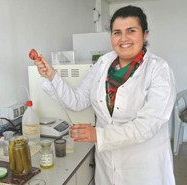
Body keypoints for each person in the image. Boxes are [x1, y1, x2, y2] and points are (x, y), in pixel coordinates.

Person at [34, 5, 176, 185]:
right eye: (117, 32)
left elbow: (147, 125)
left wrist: (99, 136)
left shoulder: (159, 70)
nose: (123, 38)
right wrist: (51, 75)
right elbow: (77, 101)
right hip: (108, 165)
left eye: (131, 31)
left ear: (145, 34)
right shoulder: (103, 63)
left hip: (143, 167)